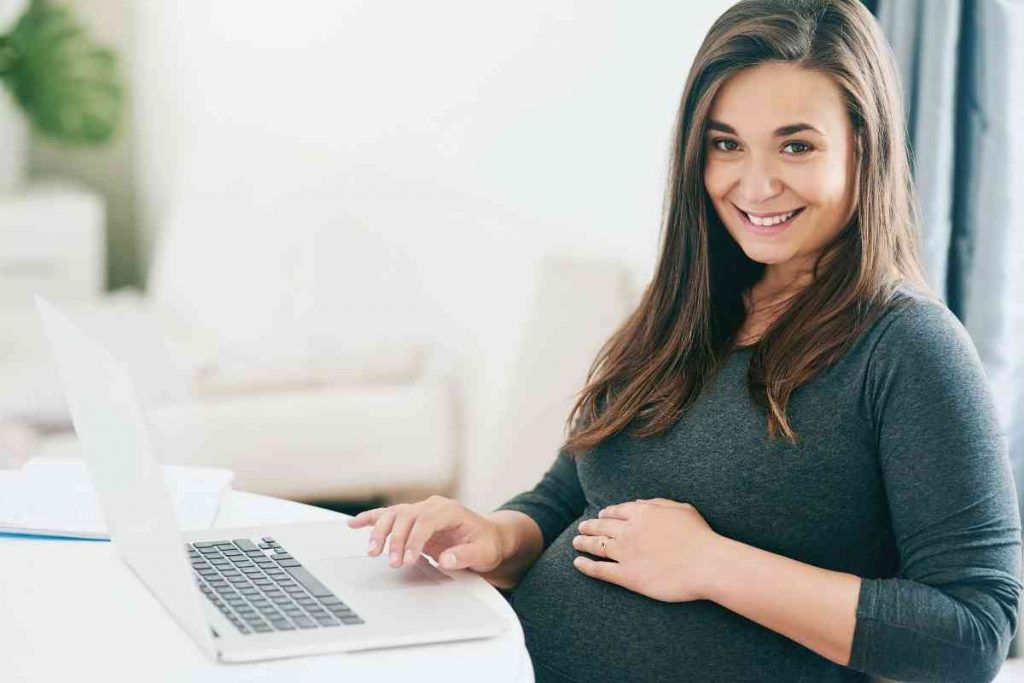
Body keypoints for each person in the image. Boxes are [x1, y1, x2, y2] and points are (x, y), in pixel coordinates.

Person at [348, 0, 1023, 680]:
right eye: (726, 144)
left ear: (863, 146)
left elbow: (973, 630)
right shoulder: (687, 305)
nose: (755, 185)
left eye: (797, 145)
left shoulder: (908, 346)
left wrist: (712, 565)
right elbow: (569, 498)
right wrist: (495, 536)